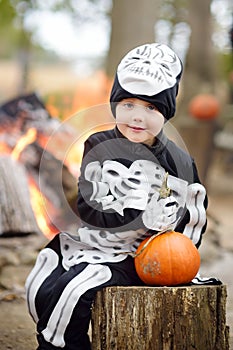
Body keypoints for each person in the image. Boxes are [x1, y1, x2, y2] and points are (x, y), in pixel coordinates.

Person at [25, 43, 219, 350]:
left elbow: (191, 221)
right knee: (44, 278)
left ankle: (63, 346)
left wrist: (164, 221)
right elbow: (87, 206)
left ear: (166, 112)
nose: (137, 117)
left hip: (138, 255)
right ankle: (49, 328)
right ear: (114, 104)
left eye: (151, 108)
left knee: (76, 287)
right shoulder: (98, 144)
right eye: (128, 104)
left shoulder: (179, 162)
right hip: (91, 238)